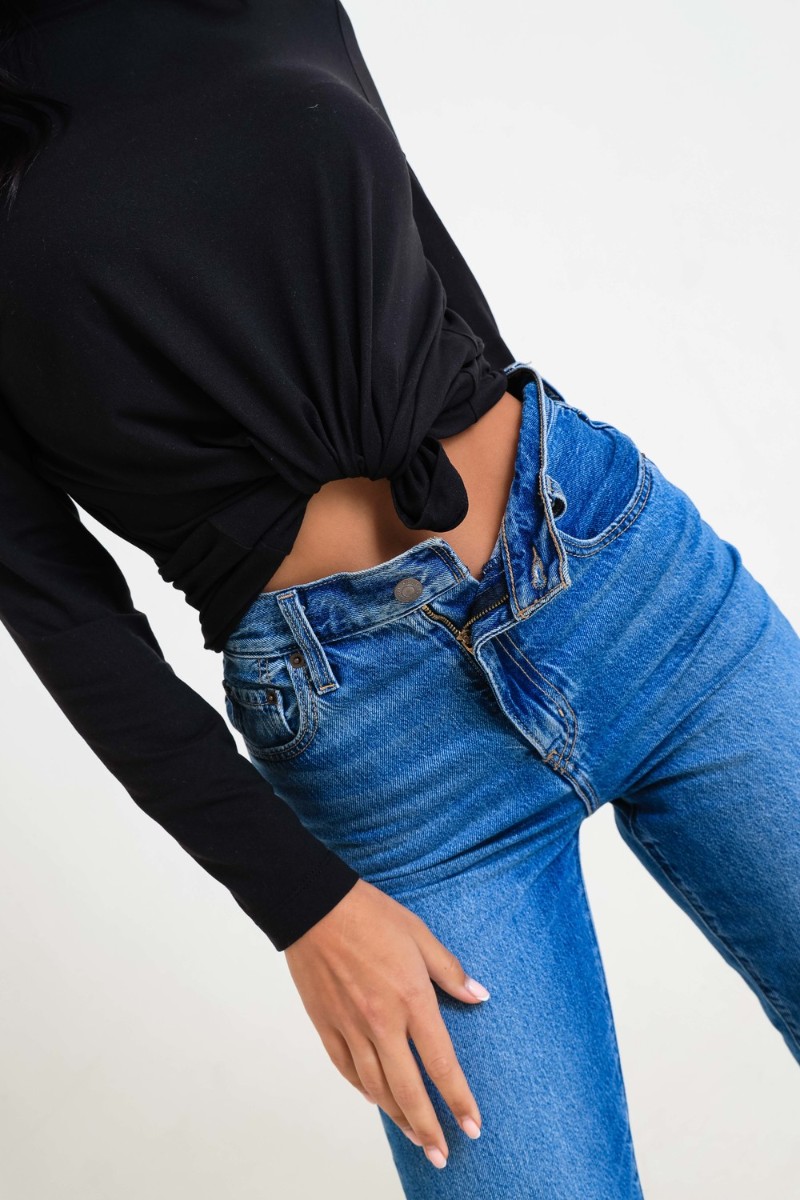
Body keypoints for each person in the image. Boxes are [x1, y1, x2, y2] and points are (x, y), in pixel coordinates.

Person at [1, 2, 798, 1196]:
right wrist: (303, 904)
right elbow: (61, 610)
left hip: (623, 579)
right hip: (387, 760)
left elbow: (415, 262)